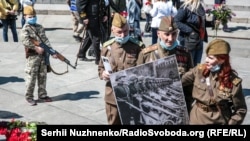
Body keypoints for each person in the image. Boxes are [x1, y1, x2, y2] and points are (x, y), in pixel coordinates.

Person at [182, 38, 247, 125]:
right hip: (197, 119)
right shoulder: (199, 71)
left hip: (219, 121)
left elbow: (241, 109)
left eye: (211, 58)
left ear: (222, 60)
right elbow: (179, 81)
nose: (206, 60)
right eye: (207, 56)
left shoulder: (233, 81)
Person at [136, 16, 194, 113]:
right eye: (166, 34)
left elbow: (190, 85)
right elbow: (138, 82)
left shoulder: (185, 54)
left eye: (174, 34)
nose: (170, 39)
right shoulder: (146, 54)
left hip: (177, 107)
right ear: (158, 34)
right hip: (152, 107)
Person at [98, 13, 145, 125]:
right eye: (119, 32)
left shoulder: (137, 46)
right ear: (112, 31)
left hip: (132, 97)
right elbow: (100, 68)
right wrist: (103, 73)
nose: (123, 35)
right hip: (112, 97)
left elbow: (144, 69)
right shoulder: (107, 47)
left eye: (126, 31)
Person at [21, 6, 58, 106]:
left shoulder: (39, 27)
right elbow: (25, 41)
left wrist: (51, 51)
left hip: (42, 57)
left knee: (42, 76)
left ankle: (42, 94)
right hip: (33, 57)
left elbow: (45, 40)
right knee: (31, 77)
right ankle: (29, 97)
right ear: (25, 17)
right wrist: (35, 47)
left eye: (34, 16)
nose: (32, 18)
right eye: (30, 16)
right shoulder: (26, 29)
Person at [174, 0, 208, 67]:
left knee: (197, 66)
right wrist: (190, 31)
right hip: (188, 41)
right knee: (188, 66)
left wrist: (213, 23)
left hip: (199, 40)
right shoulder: (185, 8)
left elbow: (201, 23)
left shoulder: (200, 7)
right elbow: (176, 21)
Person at [76, 0, 109, 64]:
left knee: (89, 37)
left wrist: (104, 14)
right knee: (96, 38)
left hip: (97, 18)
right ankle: (98, 59)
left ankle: (81, 54)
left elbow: (101, 3)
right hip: (90, 19)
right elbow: (79, 5)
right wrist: (84, 17)